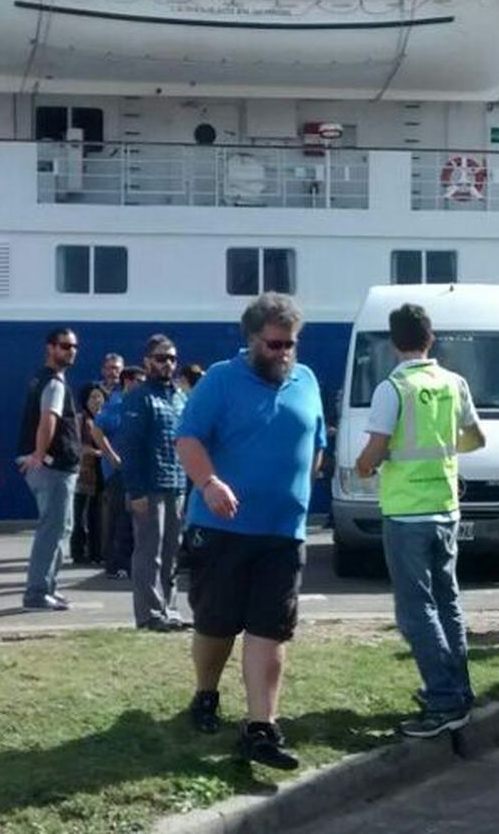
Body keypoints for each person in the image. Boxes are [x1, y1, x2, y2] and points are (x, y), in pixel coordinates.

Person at [176, 293, 326, 771]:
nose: (284, 353)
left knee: (270, 628)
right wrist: (209, 481)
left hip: (283, 532)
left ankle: (261, 727)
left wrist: (298, 489)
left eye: (291, 344)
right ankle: (205, 693)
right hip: (222, 528)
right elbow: (188, 438)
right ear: (252, 340)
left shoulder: (306, 380)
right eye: (275, 344)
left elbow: (316, 443)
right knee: (216, 624)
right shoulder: (220, 380)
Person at [355, 303, 485, 738]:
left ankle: (444, 699)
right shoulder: (453, 382)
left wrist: (364, 466)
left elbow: (372, 453)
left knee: (416, 610)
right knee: (447, 602)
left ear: (394, 343)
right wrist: (441, 451)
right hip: (445, 507)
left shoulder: (392, 388)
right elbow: (476, 438)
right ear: (431, 338)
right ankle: (459, 691)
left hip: (406, 511)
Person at [121, 334, 190, 632]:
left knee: (172, 550)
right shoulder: (139, 397)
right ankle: (149, 613)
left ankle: (169, 608)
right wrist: (135, 491)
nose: (168, 364)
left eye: (173, 358)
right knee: (150, 551)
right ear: (148, 361)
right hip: (149, 487)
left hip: (176, 484)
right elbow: (131, 447)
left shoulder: (178, 397)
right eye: (162, 358)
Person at [17, 327, 82, 610]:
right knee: (52, 529)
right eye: (65, 346)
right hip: (54, 467)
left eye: (73, 347)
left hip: (55, 466)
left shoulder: (41, 379)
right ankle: (37, 592)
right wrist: (39, 455)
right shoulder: (54, 383)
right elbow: (49, 419)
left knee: (61, 528)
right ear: (50, 348)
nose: (71, 351)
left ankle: (48, 587)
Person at [94, 366, 145, 579]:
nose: (143, 385)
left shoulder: (139, 404)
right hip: (117, 473)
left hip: (136, 470)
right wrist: (112, 456)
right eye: (140, 381)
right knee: (118, 517)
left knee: (132, 517)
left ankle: (125, 562)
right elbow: (98, 431)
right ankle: (115, 564)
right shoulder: (114, 405)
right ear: (128, 382)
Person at [72, 384, 107, 565]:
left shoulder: (105, 419)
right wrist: (96, 452)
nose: (96, 401)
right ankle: (79, 552)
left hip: (102, 473)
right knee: (80, 515)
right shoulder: (80, 420)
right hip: (84, 474)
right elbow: (76, 445)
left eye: (99, 397)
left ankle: (97, 552)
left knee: (97, 514)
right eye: (92, 397)